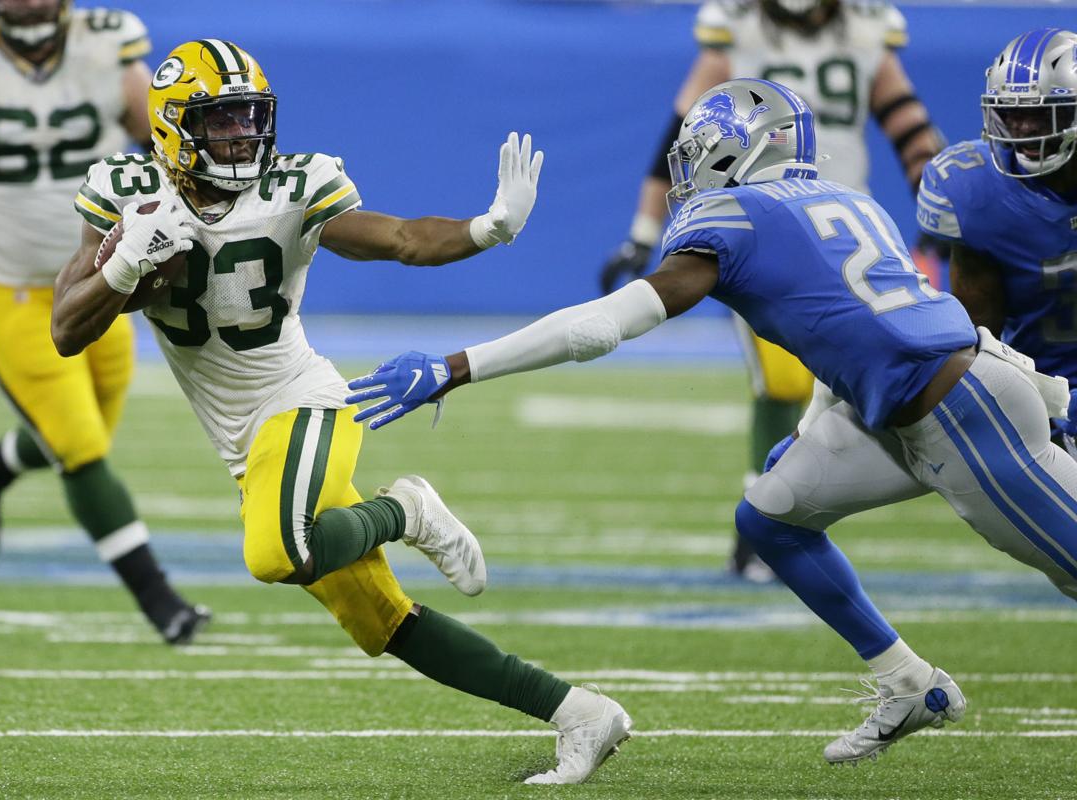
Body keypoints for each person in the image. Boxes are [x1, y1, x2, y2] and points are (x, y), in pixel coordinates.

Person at [350, 78, 1077, 764]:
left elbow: (605, 325)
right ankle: (910, 684)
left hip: (959, 413)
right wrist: (821, 419)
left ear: (741, 150)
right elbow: (857, 330)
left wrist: (457, 365)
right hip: (924, 395)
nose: (688, 173)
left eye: (699, 153)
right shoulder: (848, 199)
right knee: (770, 517)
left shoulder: (735, 217)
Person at [50, 39, 631, 785]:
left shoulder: (292, 188)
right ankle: (580, 712)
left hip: (303, 401)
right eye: (220, 122)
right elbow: (68, 329)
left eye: (248, 119)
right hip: (242, 439)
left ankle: (407, 509)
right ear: (171, 129)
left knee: (274, 554)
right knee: (383, 622)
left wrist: (489, 228)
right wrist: (126, 262)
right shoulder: (128, 191)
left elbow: (402, 240)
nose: (240, 136)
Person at [0, 0, 209, 644]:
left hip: (98, 277)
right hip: (3, 285)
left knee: (84, 433)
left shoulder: (107, 50)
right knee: (80, 447)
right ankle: (160, 600)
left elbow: (171, 149)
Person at [598, 0, 943, 580]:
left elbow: (910, 127)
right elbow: (680, 135)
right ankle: (763, 524)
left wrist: (940, 214)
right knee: (783, 379)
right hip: (762, 228)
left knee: (865, 384)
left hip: (845, 231)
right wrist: (641, 230)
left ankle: (781, 518)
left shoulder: (865, 29)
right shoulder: (736, 30)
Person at [917, 28, 1077, 444]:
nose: (1023, 129)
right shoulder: (977, 192)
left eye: (1041, 115)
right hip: (1042, 392)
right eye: (1010, 113)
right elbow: (978, 335)